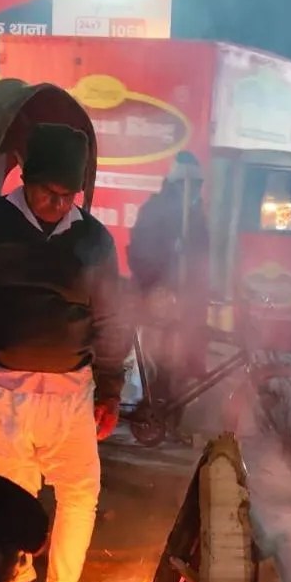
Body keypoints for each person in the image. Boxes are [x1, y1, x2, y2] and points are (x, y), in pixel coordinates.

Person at [0, 123, 131, 582]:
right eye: (50, 192)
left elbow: (112, 317)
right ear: (26, 178)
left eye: (69, 196)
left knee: (81, 489)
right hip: (4, 386)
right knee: (10, 492)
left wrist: (111, 389)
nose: (58, 203)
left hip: (73, 389)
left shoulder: (93, 239)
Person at [127, 152, 211, 402]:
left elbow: (202, 256)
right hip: (157, 300)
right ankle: (151, 405)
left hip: (185, 301)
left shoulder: (196, 215)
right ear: (177, 184)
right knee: (158, 360)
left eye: (198, 185)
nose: (194, 190)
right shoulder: (154, 210)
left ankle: (172, 405)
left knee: (181, 362)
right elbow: (140, 254)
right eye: (190, 185)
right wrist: (157, 288)